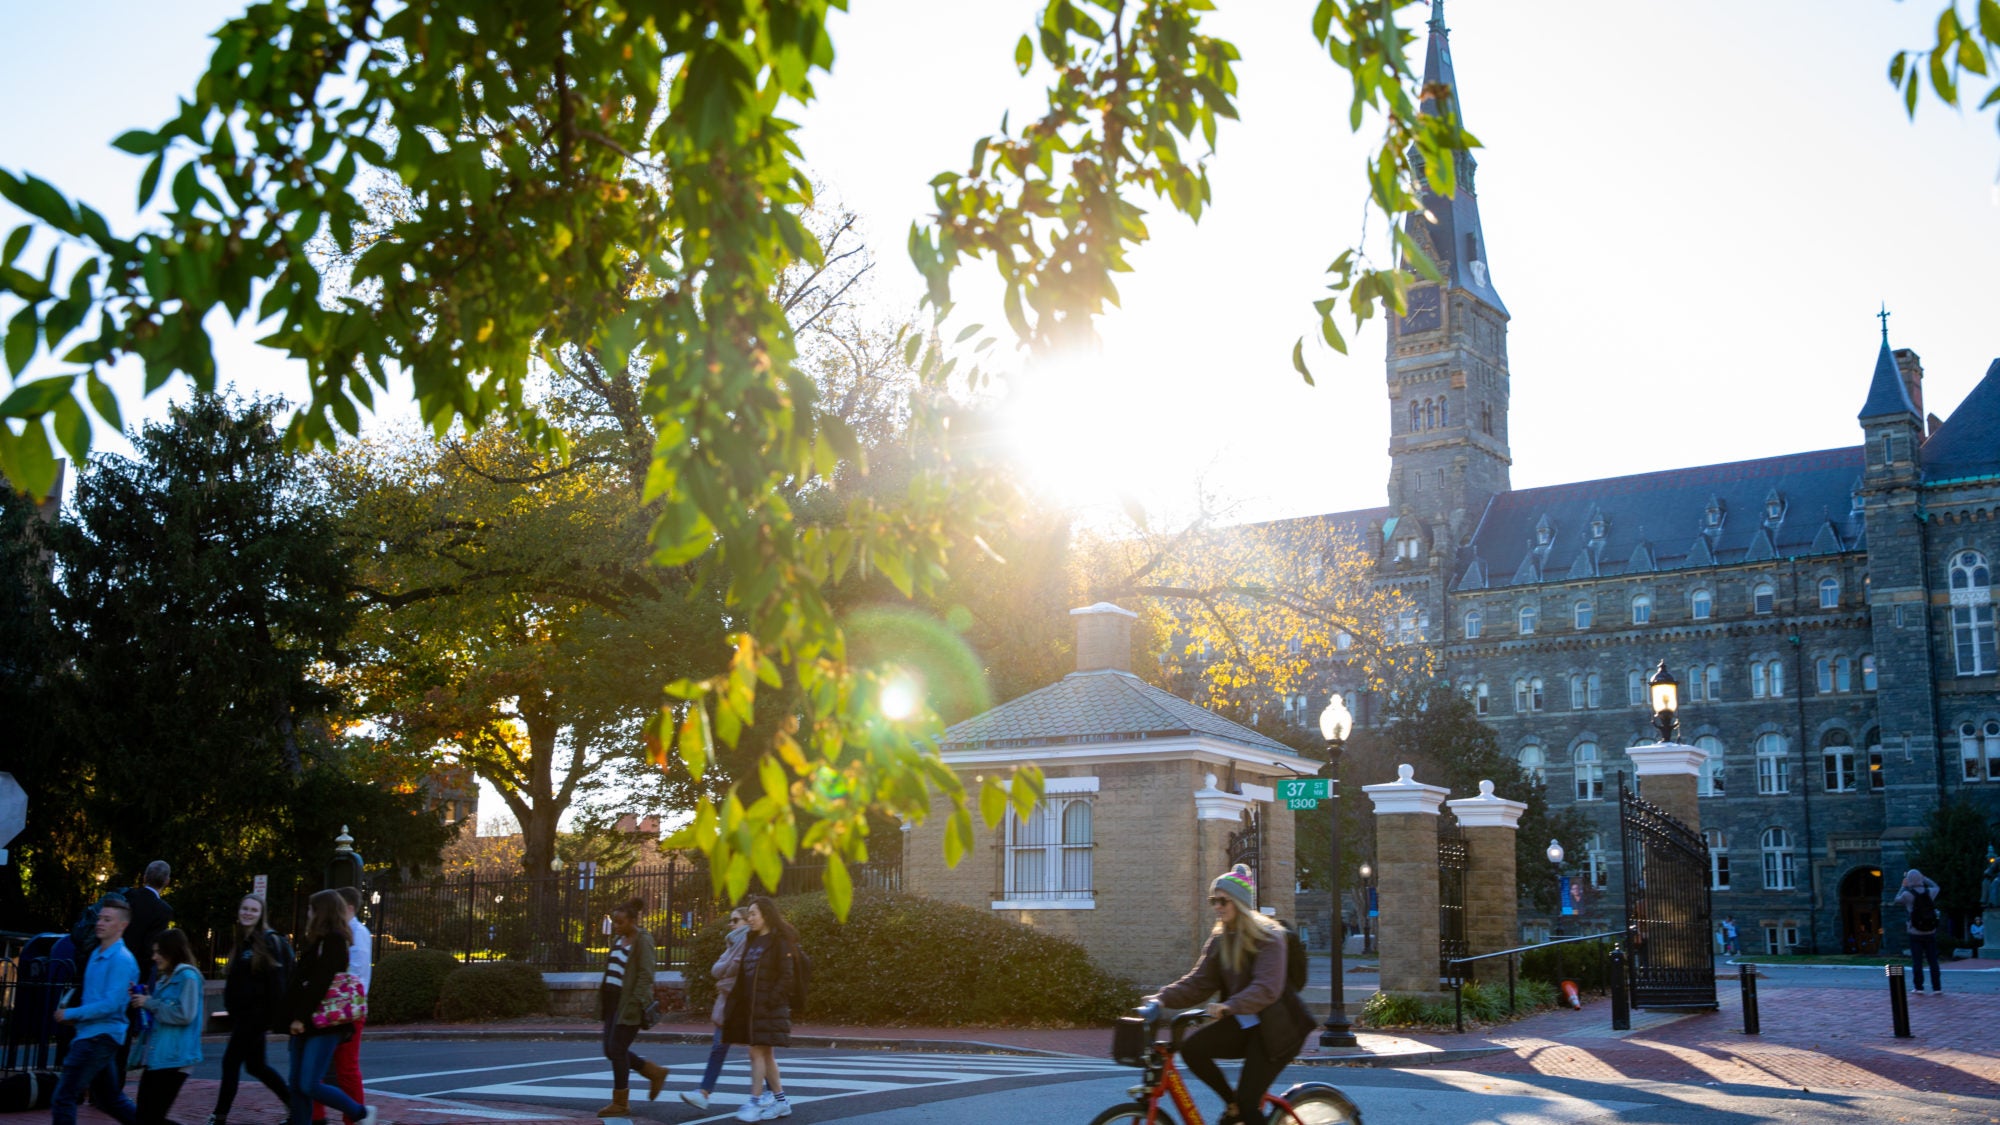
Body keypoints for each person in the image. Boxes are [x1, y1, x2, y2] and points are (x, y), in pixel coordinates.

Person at [1150, 864, 1311, 1125]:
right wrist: (1161, 998)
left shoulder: (1270, 937)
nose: (1217, 906)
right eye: (1214, 900)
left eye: (1223, 900)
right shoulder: (1220, 940)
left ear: (1239, 902)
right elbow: (1199, 982)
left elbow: (1266, 988)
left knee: (1249, 1104)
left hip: (1279, 1029)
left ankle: (1241, 1107)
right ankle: (1231, 1104)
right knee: (1193, 1050)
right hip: (1246, 1023)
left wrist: (1230, 1005)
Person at [285, 890, 377, 1125]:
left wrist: (300, 1016)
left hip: (325, 1020)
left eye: (311, 909)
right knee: (298, 1083)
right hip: (308, 1019)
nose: (307, 913)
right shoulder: (317, 940)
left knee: (313, 1081)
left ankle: (359, 1113)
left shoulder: (337, 940)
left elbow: (324, 982)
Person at [50, 893, 140, 1125]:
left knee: (64, 1096)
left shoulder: (122, 959)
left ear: (123, 925)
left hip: (99, 1038)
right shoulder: (96, 954)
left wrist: (71, 1014)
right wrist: (76, 1019)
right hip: (92, 1034)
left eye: (108, 920)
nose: (100, 923)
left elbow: (110, 1005)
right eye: (100, 918)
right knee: (112, 1100)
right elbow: (96, 999)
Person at [210, 893, 293, 1125]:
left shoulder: (266, 942)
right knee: (257, 1066)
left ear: (261, 914)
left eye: (253, 910)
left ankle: (219, 1115)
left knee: (230, 1063)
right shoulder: (242, 941)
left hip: (255, 1017)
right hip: (242, 1016)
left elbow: (276, 984)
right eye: (245, 908)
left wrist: (273, 1019)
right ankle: (294, 1105)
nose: (248, 913)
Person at [723, 895, 800, 1122]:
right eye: (749, 914)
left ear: (766, 915)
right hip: (752, 1007)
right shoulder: (752, 939)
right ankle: (781, 1101)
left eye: (754, 914)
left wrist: (770, 1001)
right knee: (765, 1054)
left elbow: (787, 976)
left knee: (756, 1051)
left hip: (768, 1007)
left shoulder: (778, 941)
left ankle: (755, 1102)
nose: (750, 918)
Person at [597, 897, 669, 1118]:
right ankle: (654, 1072)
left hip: (629, 1004)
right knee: (610, 1050)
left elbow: (646, 974)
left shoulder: (643, 940)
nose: (616, 927)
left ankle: (620, 1102)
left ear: (631, 921)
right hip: (612, 1001)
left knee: (617, 1049)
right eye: (615, 922)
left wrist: (635, 1002)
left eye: (620, 923)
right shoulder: (619, 941)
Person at [680, 907, 751, 1110]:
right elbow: (717, 969)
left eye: (735, 920)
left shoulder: (745, 941)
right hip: (729, 1001)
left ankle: (774, 1093)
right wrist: (724, 971)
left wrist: (724, 971)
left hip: (739, 1002)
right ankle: (704, 1092)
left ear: (746, 922)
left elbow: (731, 969)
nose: (731, 924)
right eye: (731, 920)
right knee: (721, 1048)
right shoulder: (733, 943)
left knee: (756, 1051)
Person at [132, 929, 204, 1125]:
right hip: (159, 1056)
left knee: (150, 1117)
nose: (154, 957)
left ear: (172, 952)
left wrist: (150, 1003)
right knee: (145, 1116)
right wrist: (146, 998)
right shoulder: (165, 979)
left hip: (175, 1059)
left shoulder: (188, 977)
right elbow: (160, 1013)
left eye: (158, 952)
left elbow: (185, 1014)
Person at [312, 888, 370, 1125]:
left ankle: (354, 1116)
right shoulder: (338, 933)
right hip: (334, 1008)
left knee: (345, 1068)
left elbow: (354, 975)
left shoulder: (357, 932)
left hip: (346, 1010)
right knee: (317, 1068)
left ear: (348, 908)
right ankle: (316, 1116)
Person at [117, 861, 174, 1087]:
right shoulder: (162, 910)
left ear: (144, 877)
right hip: (136, 976)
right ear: (167, 882)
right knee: (125, 1029)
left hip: (114, 965)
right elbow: (152, 947)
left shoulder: (127, 898)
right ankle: (115, 1085)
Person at [1893, 868, 1944, 994]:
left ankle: (1919, 987)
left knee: (1917, 961)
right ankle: (1937, 988)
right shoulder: (1930, 892)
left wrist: (1903, 886)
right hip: (1930, 931)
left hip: (1915, 932)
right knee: (1933, 961)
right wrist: (1924, 878)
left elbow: (1896, 899)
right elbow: (1937, 886)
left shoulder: (1907, 895)